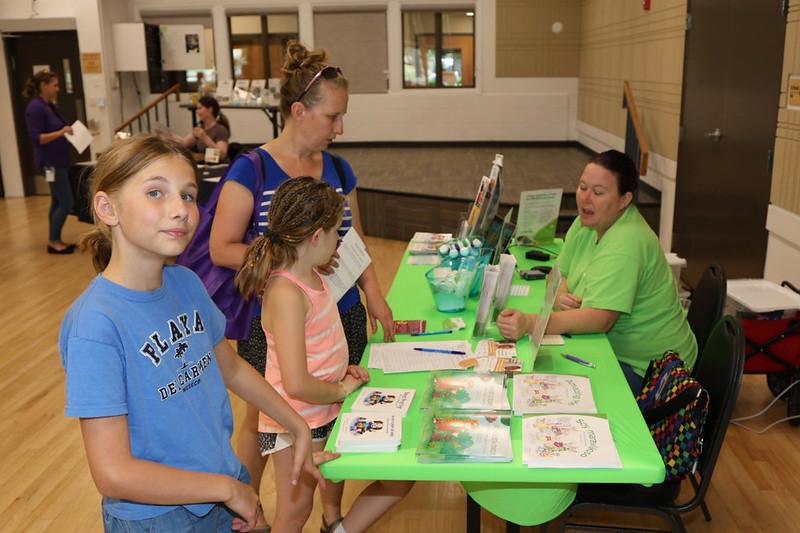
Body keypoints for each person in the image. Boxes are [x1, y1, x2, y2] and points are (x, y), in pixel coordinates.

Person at [59, 135, 327, 533]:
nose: (180, 210)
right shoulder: (95, 324)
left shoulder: (185, 283)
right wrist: (229, 490)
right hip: (158, 516)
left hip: (220, 484)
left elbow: (231, 368)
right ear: (107, 207)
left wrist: (296, 423)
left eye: (188, 195)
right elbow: (113, 473)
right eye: (155, 192)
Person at [208, 40, 396, 529]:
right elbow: (221, 246)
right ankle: (249, 510)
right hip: (278, 317)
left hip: (341, 310)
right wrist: (290, 270)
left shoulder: (337, 168)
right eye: (333, 116)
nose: (340, 128)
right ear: (298, 111)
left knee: (330, 425)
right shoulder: (252, 168)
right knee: (267, 421)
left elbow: (353, 239)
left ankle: (331, 513)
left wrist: (373, 293)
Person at [236, 177, 412, 533]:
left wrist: (339, 368)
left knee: (395, 479)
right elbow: (296, 382)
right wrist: (341, 388)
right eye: (335, 233)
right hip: (296, 420)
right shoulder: (286, 292)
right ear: (316, 237)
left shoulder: (313, 275)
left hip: (324, 409)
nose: (339, 242)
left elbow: (315, 345)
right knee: (296, 513)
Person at [497, 150, 697, 394]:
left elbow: (601, 319)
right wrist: (560, 293)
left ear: (624, 201)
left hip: (651, 371)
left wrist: (531, 323)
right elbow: (559, 273)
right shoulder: (587, 223)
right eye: (582, 187)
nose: (585, 199)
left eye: (598, 192)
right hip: (613, 350)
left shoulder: (627, 243)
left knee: (554, 391)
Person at [23, 69, 76, 254]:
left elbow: (61, 129)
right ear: (43, 86)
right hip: (49, 162)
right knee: (66, 202)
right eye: (54, 85)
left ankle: (55, 238)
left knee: (57, 200)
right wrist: (61, 133)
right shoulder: (35, 108)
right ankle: (54, 241)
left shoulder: (50, 105)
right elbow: (36, 138)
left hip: (59, 160)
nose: (58, 89)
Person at [172, 96, 231, 162]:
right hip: (205, 164)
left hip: (220, 166)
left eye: (200, 108)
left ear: (210, 109)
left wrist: (204, 137)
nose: (197, 111)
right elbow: (184, 142)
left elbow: (222, 154)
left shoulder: (220, 129)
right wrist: (167, 134)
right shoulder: (201, 128)